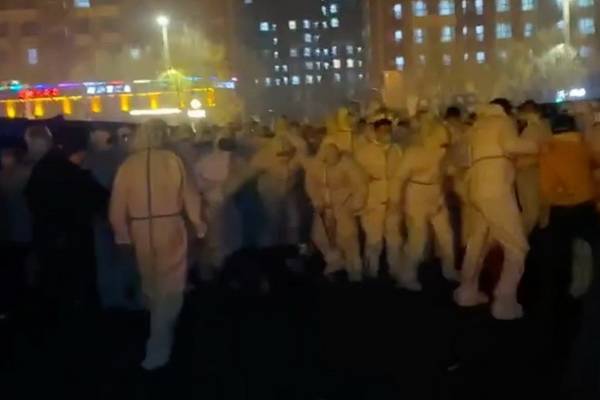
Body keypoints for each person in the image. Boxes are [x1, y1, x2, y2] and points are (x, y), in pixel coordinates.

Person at [110, 119, 206, 371]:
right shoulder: (173, 161)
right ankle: (159, 344)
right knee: (171, 285)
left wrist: (122, 236)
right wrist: (199, 227)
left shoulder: (128, 165)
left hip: (140, 229)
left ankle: (156, 330)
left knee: (151, 283)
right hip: (170, 227)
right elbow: (190, 197)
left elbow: (117, 205)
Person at [454, 99, 539, 320]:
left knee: (478, 242)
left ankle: (466, 291)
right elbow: (510, 145)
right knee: (517, 246)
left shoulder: (476, 126)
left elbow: (461, 157)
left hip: (475, 187)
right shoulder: (501, 121)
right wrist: (537, 146)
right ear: (507, 110)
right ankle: (504, 302)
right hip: (495, 188)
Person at [534, 114, 600, 366]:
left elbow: (546, 188)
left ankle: (558, 326)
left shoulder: (548, 151)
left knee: (558, 266)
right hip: (586, 208)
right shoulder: (583, 148)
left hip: (562, 211)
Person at [25, 129, 109, 319]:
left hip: (47, 236)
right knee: (77, 279)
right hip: (75, 236)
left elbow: (32, 202)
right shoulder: (74, 173)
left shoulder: (40, 171)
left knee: (52, 280)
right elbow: (99, 198)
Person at [389, 117, 457, 290]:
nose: (445, 142)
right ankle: (407, 276)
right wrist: (395, 201)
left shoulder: (444, 154)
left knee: (446, 236)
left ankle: (449, 270)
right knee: (417, 239)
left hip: (436, 194)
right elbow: (398, 178)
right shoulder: (414, 153)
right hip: (417, 195)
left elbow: (449, 172)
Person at [84, 127, 138, 311]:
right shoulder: (124, 158)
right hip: (122, 215)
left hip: (101, 216)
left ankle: (110, 300)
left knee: (105, 259)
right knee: (125, 257)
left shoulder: (90, 160)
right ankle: (127, 298)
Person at [305, 143, 368, 281]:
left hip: (343, 204)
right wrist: (316, 201)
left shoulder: (348, 165)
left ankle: (355, 271)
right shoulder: (316, 165)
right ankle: (335, 263)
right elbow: (311, 183)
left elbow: (360, 185)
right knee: (321, 236)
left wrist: (356, 204)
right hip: (324, 206)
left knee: (348, 236)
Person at [354, 114, 403, 279]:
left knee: (394, 238)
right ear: (376, 132)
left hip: (393, 200)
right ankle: (371, 271)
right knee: (373, 238)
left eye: (388, 131)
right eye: (383, 131)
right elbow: (357, 178)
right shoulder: (364, 152)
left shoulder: (397, 150)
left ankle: (395, 270)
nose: (386, 134)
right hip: (372, 200)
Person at [194, 136, 243, 281]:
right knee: (229, 239)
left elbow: (197, 184)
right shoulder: (240, 161)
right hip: (231, 205)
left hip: (211, 206)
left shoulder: (205, 161)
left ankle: (214, 274)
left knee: (214, 241)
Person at [0, 147, 32, 318]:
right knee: (20, 270)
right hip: (25, 230)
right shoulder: (28, 174)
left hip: (8, 233)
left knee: (10, 270)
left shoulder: (5, 178)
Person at [515, 100, 553, 236]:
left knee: (533, 210)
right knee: (539, 210)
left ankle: (521, 239)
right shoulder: (543, 126)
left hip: (530, 173)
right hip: (535, 172)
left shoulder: (533, 128)